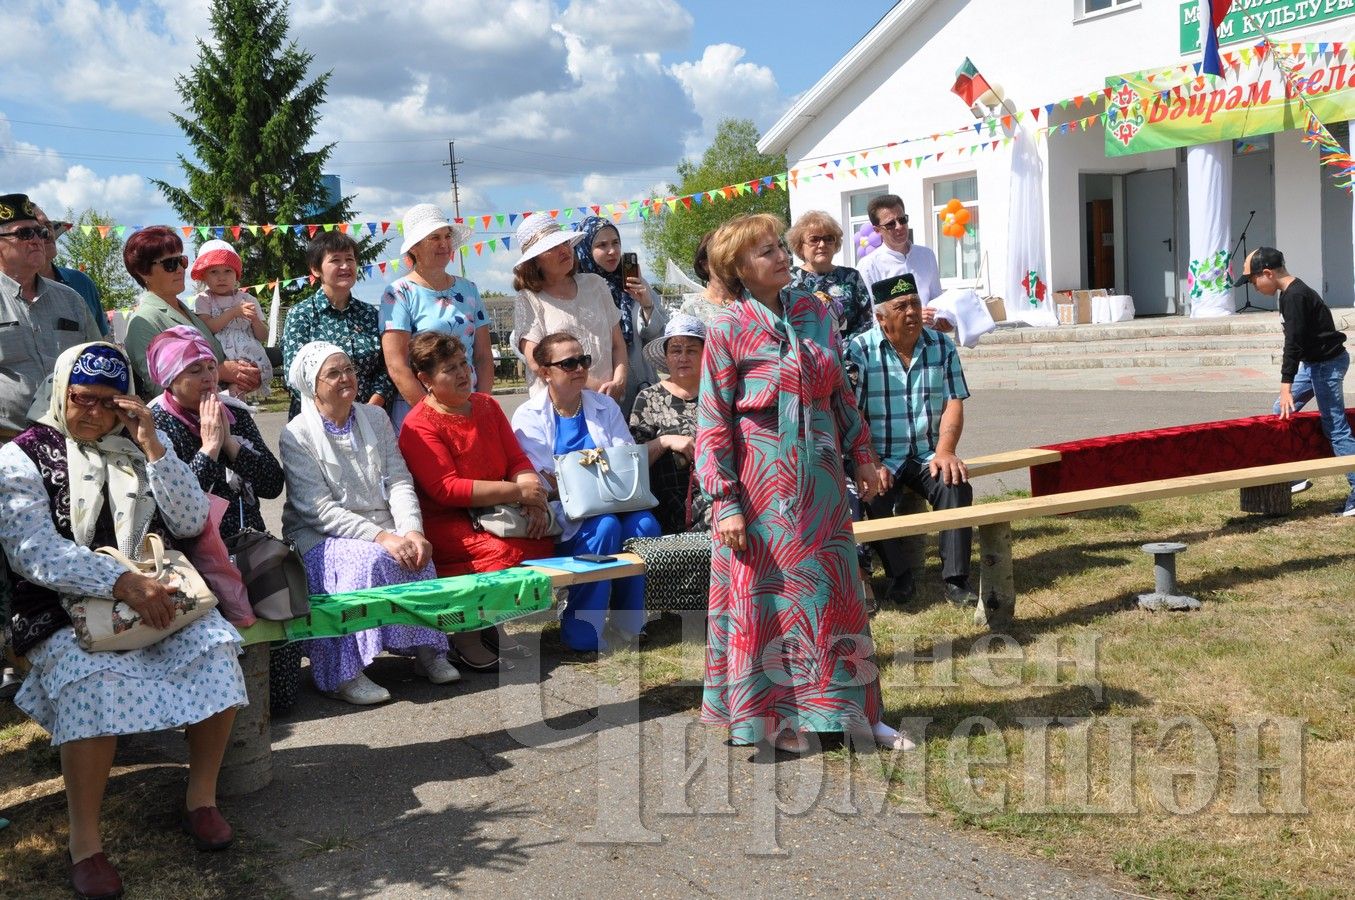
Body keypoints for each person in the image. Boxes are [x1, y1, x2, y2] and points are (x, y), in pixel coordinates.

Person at [0, 342, 245, 899]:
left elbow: (186, 521)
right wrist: (119, 582)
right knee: (94, 681)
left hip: (150, 593)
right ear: (60, 392)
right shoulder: (22, 456)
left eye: (109, 402)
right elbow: (31, 551)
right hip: (58, 603)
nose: (92, 411)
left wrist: (155, 445)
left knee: (215, 646)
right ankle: (84, 842)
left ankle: (200, 798)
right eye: (82, 398)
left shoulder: (135, 447)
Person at [695, 212, 911, 754]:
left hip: (819, 476)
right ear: (740, 267)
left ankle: (860, 714)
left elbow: (840, 392)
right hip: (759, 483)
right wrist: (725, 503)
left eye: (778, 246)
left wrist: (861, 455)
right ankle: (774, 718)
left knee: (835, 596)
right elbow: (712, 422)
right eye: (766, 251)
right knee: (771, 602)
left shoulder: (816, 312)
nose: (780, 256)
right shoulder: (726, 328)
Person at [280, 341, 460, 704]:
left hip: (383, 525)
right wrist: (382, 538)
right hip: (319, 535)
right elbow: (318, 510)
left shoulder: (375, 418)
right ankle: (343, 673)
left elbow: (398, 480)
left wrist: (411, 530)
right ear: (312, 386)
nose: (346, 377)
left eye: (349, 369)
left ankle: (428, 652)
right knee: (372, 559)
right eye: (333, 373)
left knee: (417, 553)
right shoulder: (296, 434)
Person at [145, 324, 302, 711]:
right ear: (169, 377)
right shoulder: (155, 426)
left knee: (280, 699)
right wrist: (209, 448)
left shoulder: (232, 412)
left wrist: (230, 443)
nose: (208, 378)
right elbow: (180, 511)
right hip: (191, 557)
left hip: (247, 543)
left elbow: (270, 484)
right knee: (225, 696)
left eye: (211, 367)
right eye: (194, 370)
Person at [398, 332, 553, 669]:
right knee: (501, 554)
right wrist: (517, 493)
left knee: (544, 544)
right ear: (425, 380)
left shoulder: (486, 404)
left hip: (497, 510)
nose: (462, 373)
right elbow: (446, 489)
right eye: (449, 369)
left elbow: (516, 460)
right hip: (446, 520)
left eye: (463, 364)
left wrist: (532, 497)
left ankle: (493, 627)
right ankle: (464, 637)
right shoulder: (418, 425)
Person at [512, 332, 660, 652]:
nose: (580, 368)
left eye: (584, 360)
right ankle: (583, 626)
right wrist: (591, 468)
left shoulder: (603, 405)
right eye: (568, 363)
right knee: (604, 526)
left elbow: (625, 456)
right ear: (544, 372)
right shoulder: (527, 416)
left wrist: (574, 471)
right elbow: (545, 480)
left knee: (646, 525)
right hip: (564, 516)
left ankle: (629, 622)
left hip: (616, 502)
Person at [845, 273, 977, 607]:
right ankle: (900, 576)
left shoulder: (941, 345)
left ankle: (956, 579)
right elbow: (853, 414)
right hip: (882, 454)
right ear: (880, 317)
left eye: (915, 303)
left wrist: (946, 451)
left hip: (926, 454)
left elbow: (953, 402)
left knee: (955, 484)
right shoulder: (860, 350)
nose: (912, 312)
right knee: (870, 494)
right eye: (901, 306)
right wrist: (871, 462)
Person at [1237, 247, 1355, 516]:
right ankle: (1295, 475)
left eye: (1253, 281)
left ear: (1267, 273)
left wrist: (1286, 384)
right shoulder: (1288, 294)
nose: (1253, 287)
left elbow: (1293, 343)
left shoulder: (1296, 296)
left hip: (1326, 364)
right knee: (1280, 412)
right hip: (1314, 363)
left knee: (1335, 427)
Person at [0, 193, 102, 440]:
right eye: (24, 234)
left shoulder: (70, 299)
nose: (37, 240)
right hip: (6, 444)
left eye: (40, 232)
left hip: (72, 441)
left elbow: (99, 361)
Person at [381, 204, 492, 429]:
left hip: (471, 407)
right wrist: (434, 415)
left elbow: (483, 356)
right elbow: (397, 365)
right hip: (422, 412)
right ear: (415, 247)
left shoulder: (469, 289)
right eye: (434, 238)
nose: (444, 244)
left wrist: (482, 406)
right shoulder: (399, 293)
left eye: (447, 236)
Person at [122, 226, 262, 400]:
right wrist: (220, 372)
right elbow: (160, 388)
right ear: (143, 272)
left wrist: (245, 375)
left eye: (182, 261)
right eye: (170, 264)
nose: (181, 269)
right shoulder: (143, 323)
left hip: (222, 412)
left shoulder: (192, 312)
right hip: (190, 424)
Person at [512, 217, 628, 403]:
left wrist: (619, 381)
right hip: (561, 408)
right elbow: (536, 361)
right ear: (535, 261)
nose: (564, 250)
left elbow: (618, 344)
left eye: (565, 242)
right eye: (552, 247)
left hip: (608, 404)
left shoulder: (596, 284)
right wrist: (592, 389)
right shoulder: (529, 298)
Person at [283, 231, 394, 420]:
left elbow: (386, 368)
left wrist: (371, 408)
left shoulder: (370, 314)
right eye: (335, 260)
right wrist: (336, 414)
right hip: (318, 421)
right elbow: (294, 377)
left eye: (350, 259)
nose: (345, 266)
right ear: (316, 269)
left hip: (369, 417)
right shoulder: (301, 314)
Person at [572, 216, 669, 414]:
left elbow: (657, 340)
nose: (612, 251)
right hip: (602, 395)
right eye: (602, 245)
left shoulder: (635, 282)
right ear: (585, 251)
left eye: (616, 242)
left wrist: (647, 304)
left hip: (644, 392)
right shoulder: (578, 291)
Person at [628, 314, 711, 534]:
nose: (683, 357)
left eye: (691, 350)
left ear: (705, 355)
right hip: (667, 502)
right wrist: (665, 441)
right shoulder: (648, 398)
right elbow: (632, 462)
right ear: (666, 357)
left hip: (714, 495)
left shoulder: (718, 395)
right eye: (676, 350)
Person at [856, 194, 953, 334]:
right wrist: (913, 317)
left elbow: (936, 301)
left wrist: (943, 321)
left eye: (902, 220)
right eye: (890, 224)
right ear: (877, 230)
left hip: (929, 341)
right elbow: (870, 318)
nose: (899, 226)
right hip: (893, 347)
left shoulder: (926, 255)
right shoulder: (868, 265)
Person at [191, 240, 273, 402]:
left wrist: (256, 320)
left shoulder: (248, 298)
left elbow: (263, 336)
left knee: (240, 386)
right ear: (204, 276)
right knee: (220, 393)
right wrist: (234, 312)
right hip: (220, 356)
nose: (221, 277)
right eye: (214, 272)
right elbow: (209, 327)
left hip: (247, 353)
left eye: (227, 271)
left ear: (236, 274)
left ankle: (241, 415)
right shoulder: (204, 300)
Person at [788, 209, 873, 339]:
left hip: (849, 355)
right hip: (802, 355)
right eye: (814, 239)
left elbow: (867, 320)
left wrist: (844, 350)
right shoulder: (788, 279)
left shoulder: (851, 277)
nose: (822, 245)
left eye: (828, 239)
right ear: (800, 246)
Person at [32, 204, 108, 336]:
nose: (48, 233)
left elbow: (102, 341)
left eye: (48, 225)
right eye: (36, 229)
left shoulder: (81, 282)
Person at [678, 230, 739, 324]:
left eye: (735, 255)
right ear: (705, 264)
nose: (730, 260)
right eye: (722, 256)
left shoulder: (753, 300)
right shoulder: (691, 307)